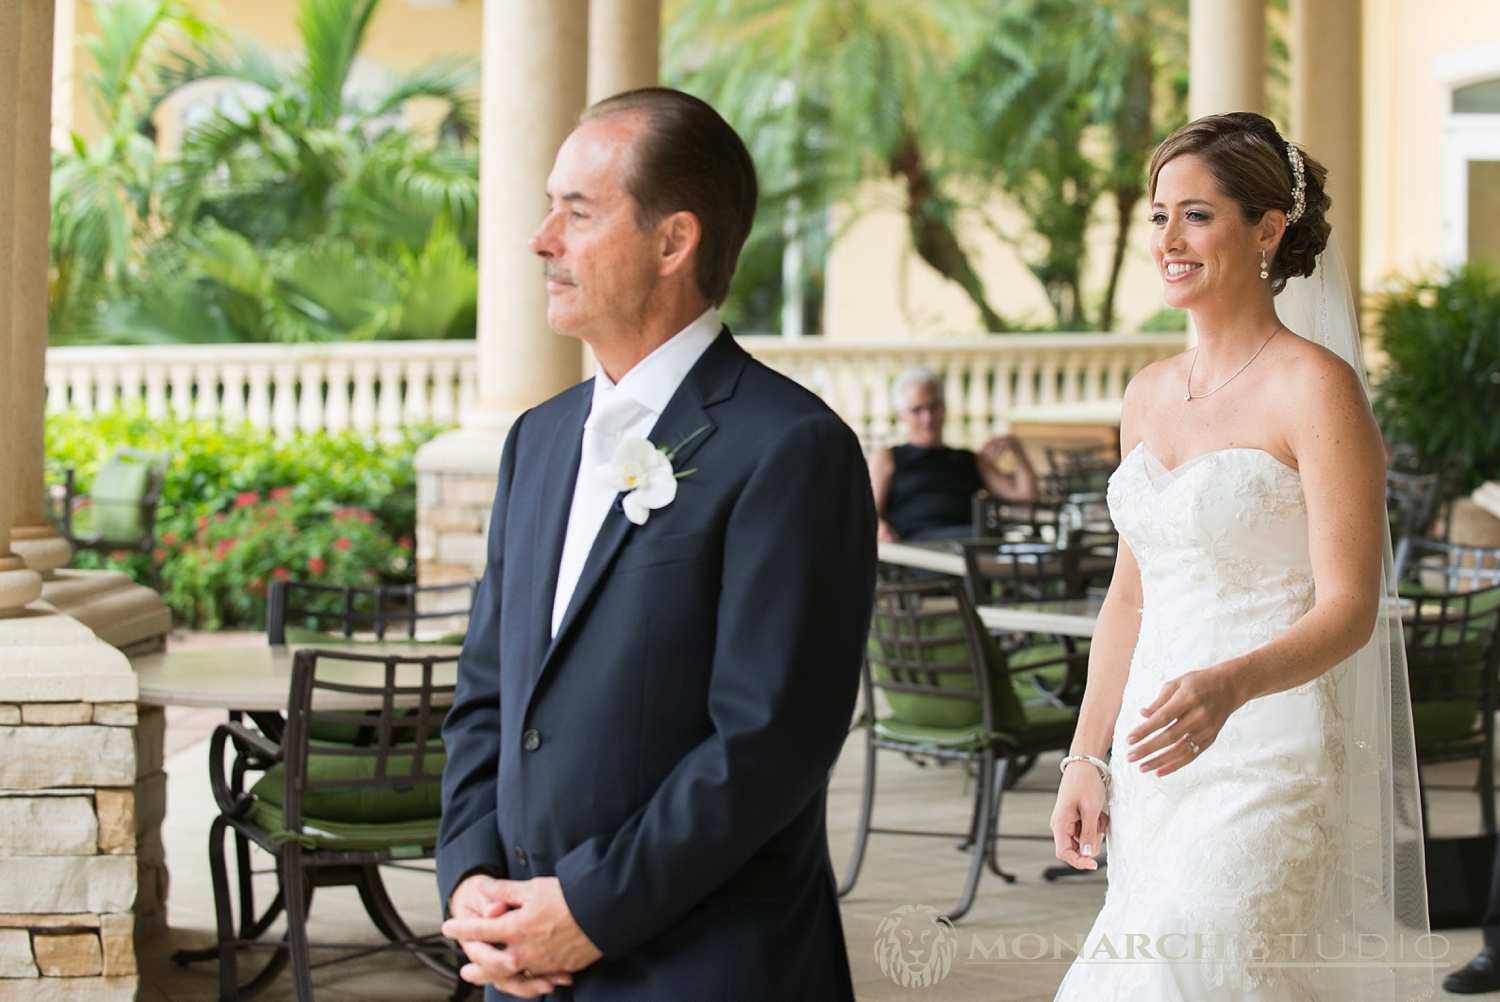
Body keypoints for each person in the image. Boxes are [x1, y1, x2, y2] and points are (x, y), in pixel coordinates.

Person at [434, 88, 876, 1000]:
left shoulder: (791, 448)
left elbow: (766, 745)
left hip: (703, 969)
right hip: (517, 966)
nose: (541, 237)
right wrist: (473, 883)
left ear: (673, 242)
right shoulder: (536, 441)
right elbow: (487, 696)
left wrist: (587, 912)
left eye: (579, 212)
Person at [1049, 113, 1431, 1000]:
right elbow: (1128, 603)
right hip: (1156, 751)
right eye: (1157, 216)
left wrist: (1230, 685)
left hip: (1270, 744)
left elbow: (1349, 608)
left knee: (1190, 968)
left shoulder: (1316, 389)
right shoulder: (1146, 397)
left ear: (1266, 229)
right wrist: (1084, 758)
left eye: (1196, 215)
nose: (1169, 241)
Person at [869, 367, 1038, 542]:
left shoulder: (968, 458)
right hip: (916, 548)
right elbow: (869, 513)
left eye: (933, 406)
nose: (927, 418)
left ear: (944, 408)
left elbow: (1028, 500)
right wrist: (880, 529)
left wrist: (1017, 451)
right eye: (917, 410)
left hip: (969, 543)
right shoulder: (888, 456)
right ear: (901, 416)